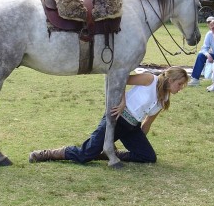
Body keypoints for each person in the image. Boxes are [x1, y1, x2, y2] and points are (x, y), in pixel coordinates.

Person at [29, 67, 188, 164]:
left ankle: (109, 152)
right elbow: (119, 80)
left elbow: (147, 123)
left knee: (148, 156)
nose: (180, 88)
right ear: (170, 79)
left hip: (132, 128)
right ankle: (45, 154)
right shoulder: (149, 79)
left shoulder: (164, 100)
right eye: (179, 84)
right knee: (86, 155)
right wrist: (123, 101)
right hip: (117, 118)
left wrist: (140, 141)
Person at [188, 19, 214, 86]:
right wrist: (207, 54)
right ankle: (195, 79)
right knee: (200, 55)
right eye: (212, 28)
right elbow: (204, 48)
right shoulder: (209, 34)